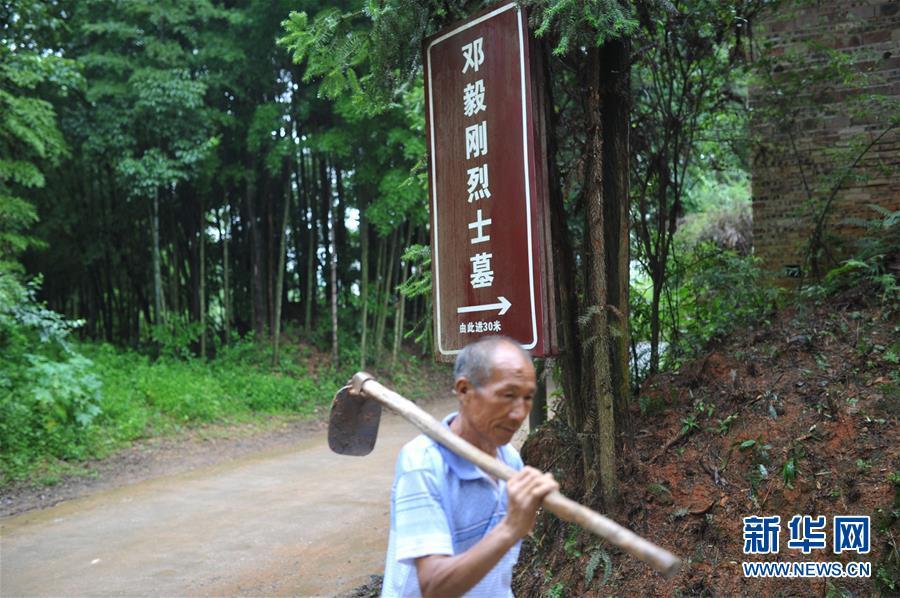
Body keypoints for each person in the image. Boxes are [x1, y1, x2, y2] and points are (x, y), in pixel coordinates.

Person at [381, 336, 559, 597]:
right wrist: (510, 528)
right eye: (508, 395)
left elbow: (497, 576)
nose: (519, 412)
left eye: (528, 397)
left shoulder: (509, 461)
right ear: (464, 390)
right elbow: (433, 586)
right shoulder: (423, 465)